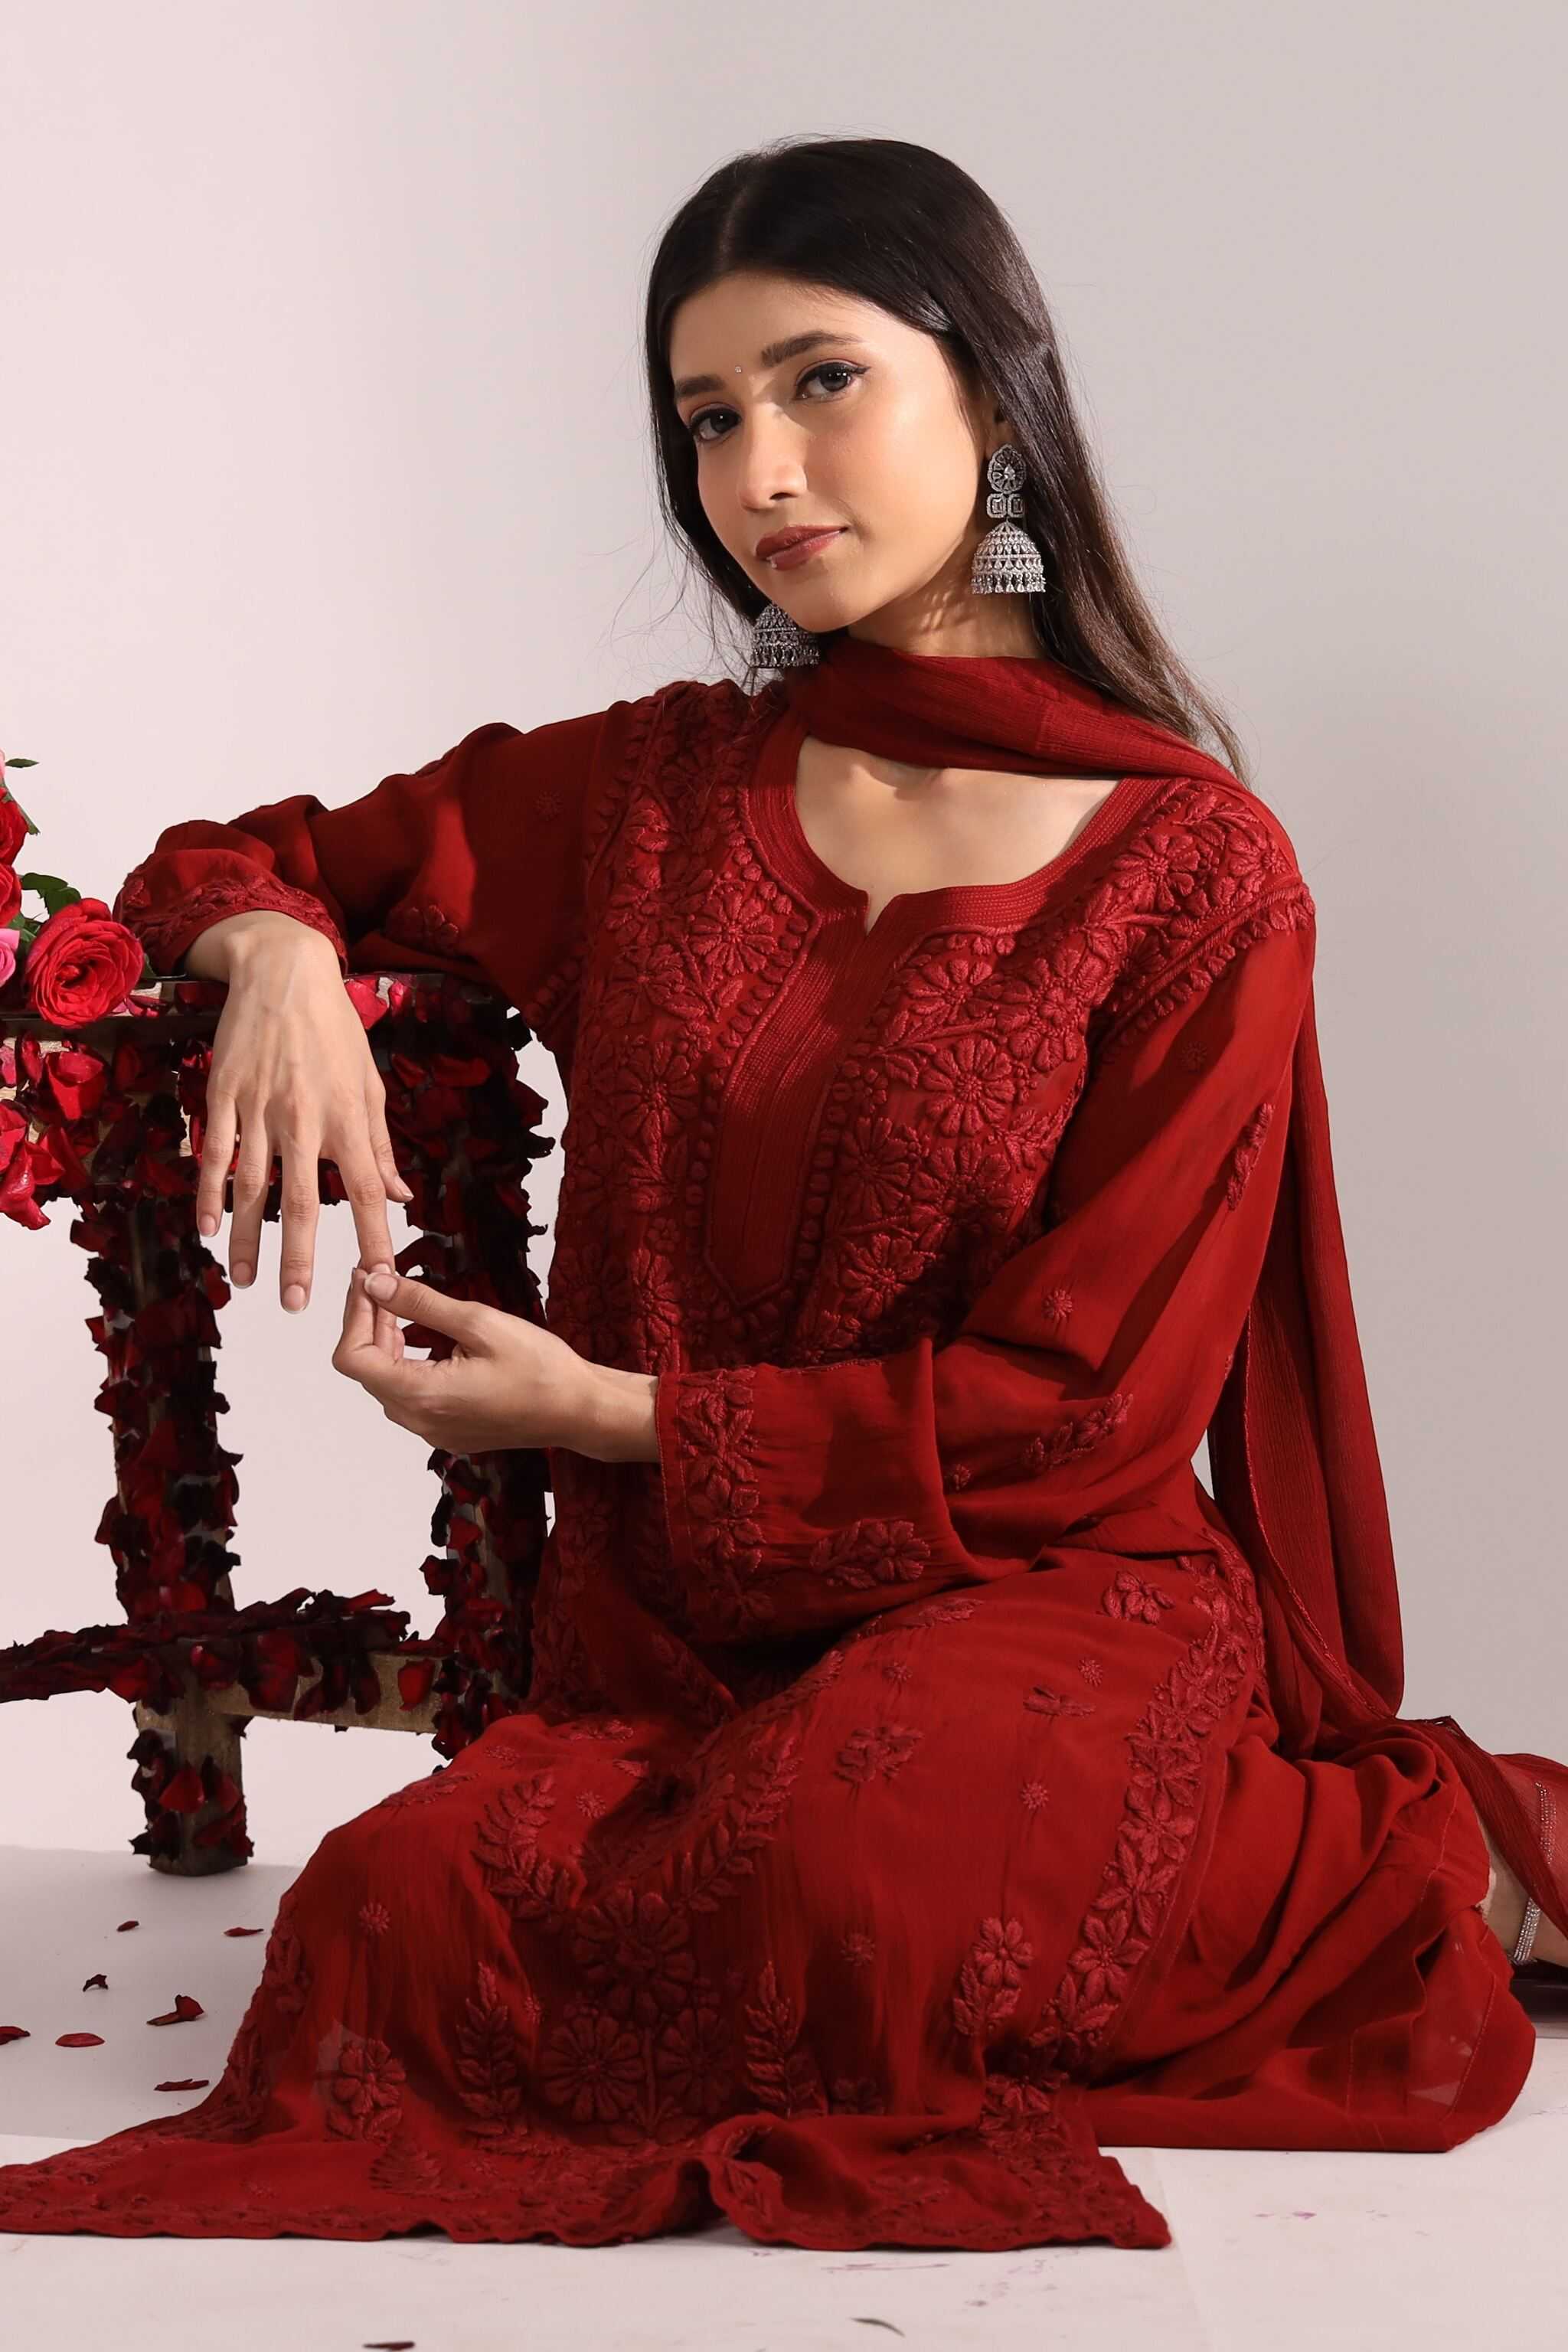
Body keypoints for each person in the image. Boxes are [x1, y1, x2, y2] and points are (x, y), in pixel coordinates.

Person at [1, 134, 1563, 2253]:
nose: (759, 471)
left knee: (864, 1877)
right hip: (685, 1642)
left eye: (821, 383)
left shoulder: (1192, 878)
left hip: (1042, 1592)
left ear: (992, 402)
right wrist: (269, 948)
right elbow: (240, 852)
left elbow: (1091, 1404)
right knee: (390, 1917)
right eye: (709, 419)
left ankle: (1404, 1868)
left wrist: (604, 1418)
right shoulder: (649, 797)